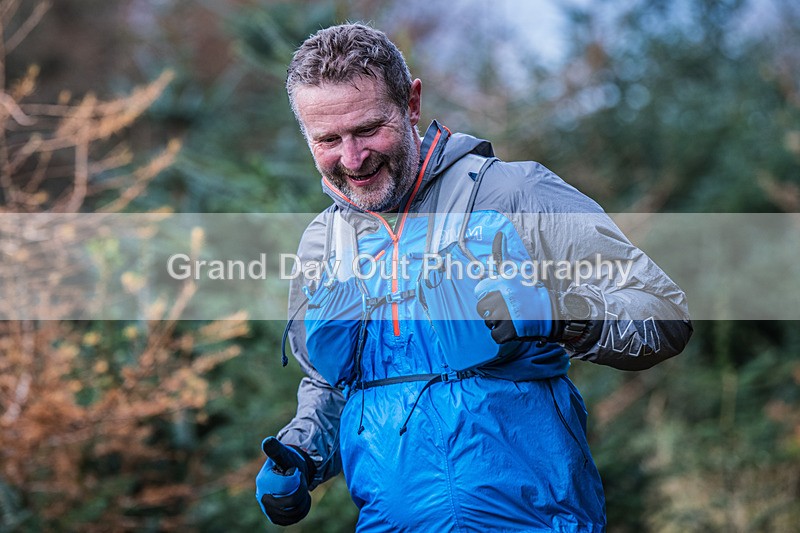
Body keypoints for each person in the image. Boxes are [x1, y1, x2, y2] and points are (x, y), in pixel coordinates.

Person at [255, 23, 692, 531]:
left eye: (369, 129)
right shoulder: (322, 244)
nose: (352, 159)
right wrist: (300, 453)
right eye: (328, 139)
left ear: (411, 105)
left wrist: (560, 312)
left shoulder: (514, 195)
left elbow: (665, 316)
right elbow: (330, 384)